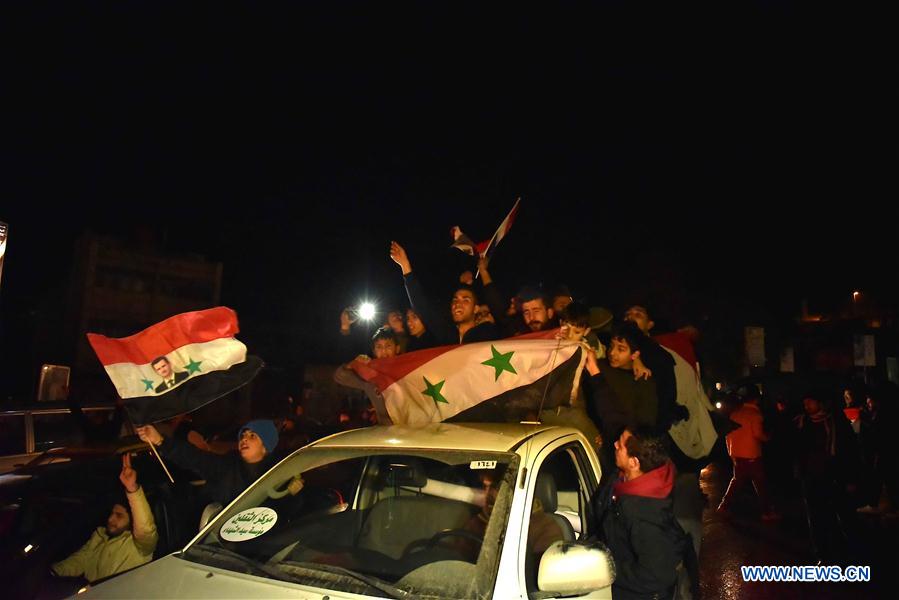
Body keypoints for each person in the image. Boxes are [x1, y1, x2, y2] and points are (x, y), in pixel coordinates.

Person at [594, 426, 694, 600]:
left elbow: (656, 575)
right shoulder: (625, 479)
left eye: (621, 445)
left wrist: (604, 569)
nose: (615, 444)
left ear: (634, 463)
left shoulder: (644, 513)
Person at [51, 453, 158, 582]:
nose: (110, 519)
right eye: (112, 513)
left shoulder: (140, 547)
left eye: (119, 515)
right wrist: (52, 572)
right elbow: (79, 560)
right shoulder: (99, 536)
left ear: (132, 521)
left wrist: (132, 489)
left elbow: (146, 530)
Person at [136, 419, 280, 506]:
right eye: (243, 435)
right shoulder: (226, 466)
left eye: (252, 436)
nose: (244, 439)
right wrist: (159, 440)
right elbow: (194, 457)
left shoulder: (279, 475)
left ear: (265, 447)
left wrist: (292, 493)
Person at [390, 240, 499, 345]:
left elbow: (500, 312)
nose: (457, 304)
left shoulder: (487, 334)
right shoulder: (447, 335)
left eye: (465, 300)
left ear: (476, 309)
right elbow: (422, 307)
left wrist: (483, 271)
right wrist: (405, 266)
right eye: (455, 299)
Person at [717, 386, 779, 520]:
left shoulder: (735, 413)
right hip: (751, 454)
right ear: (756, 399)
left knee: (737, 480)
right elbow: (758, 434)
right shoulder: (755, 414)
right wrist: (768, 437)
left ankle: (724, 505)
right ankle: (767, 512)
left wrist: (731, 452)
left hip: (737, 453)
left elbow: (727, 435)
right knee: (760, 483)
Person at [333, 327, 399, 424]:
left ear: (397, 348)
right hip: (385, 432)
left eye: (388, 346)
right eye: (379, 347)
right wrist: (353, 364)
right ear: (374, 351)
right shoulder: (370, 375)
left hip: (410, 431)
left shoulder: (410, 371)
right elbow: (339, 376)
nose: (384, 352)